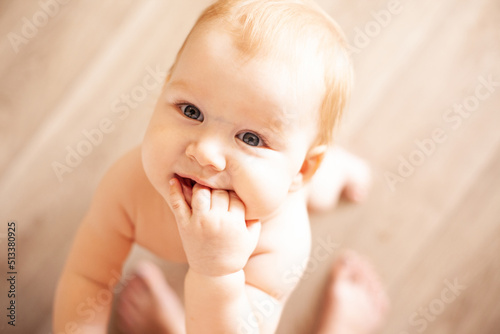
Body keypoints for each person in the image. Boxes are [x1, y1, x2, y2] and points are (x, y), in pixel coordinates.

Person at [53, 0, 387, 333]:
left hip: (294, 189)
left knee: (319, 195)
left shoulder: (282, 242)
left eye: (251, 138)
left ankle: (332, 171)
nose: (205, 153)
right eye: (191, 111)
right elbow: (88, 276)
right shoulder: (128, 185)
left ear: (301, 168)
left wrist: (216, 273)